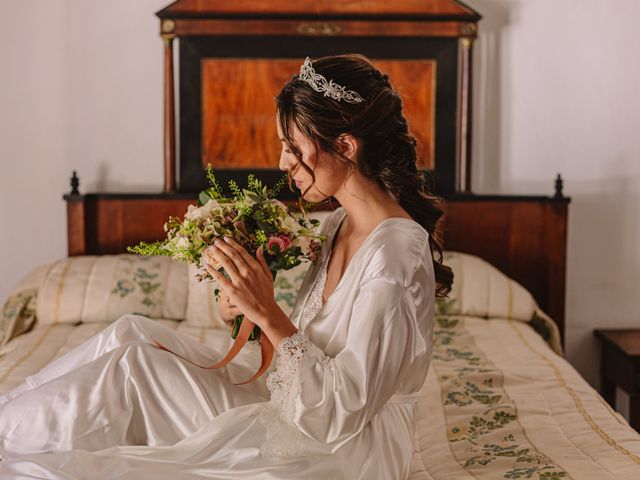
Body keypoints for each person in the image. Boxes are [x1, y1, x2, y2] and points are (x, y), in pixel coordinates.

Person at [0, 54, 452, 479]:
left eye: (292, 147)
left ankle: (6, 436)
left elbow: (342, 409)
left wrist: (269, 313)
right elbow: (307, 350)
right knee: (132, 331)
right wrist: (248, 313)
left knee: (133, 368)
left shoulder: (396, 253)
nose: (282, 163)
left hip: (346, 452)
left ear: (346, 146)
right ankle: (6, 416)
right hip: (303, 406)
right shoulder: (337, 224)